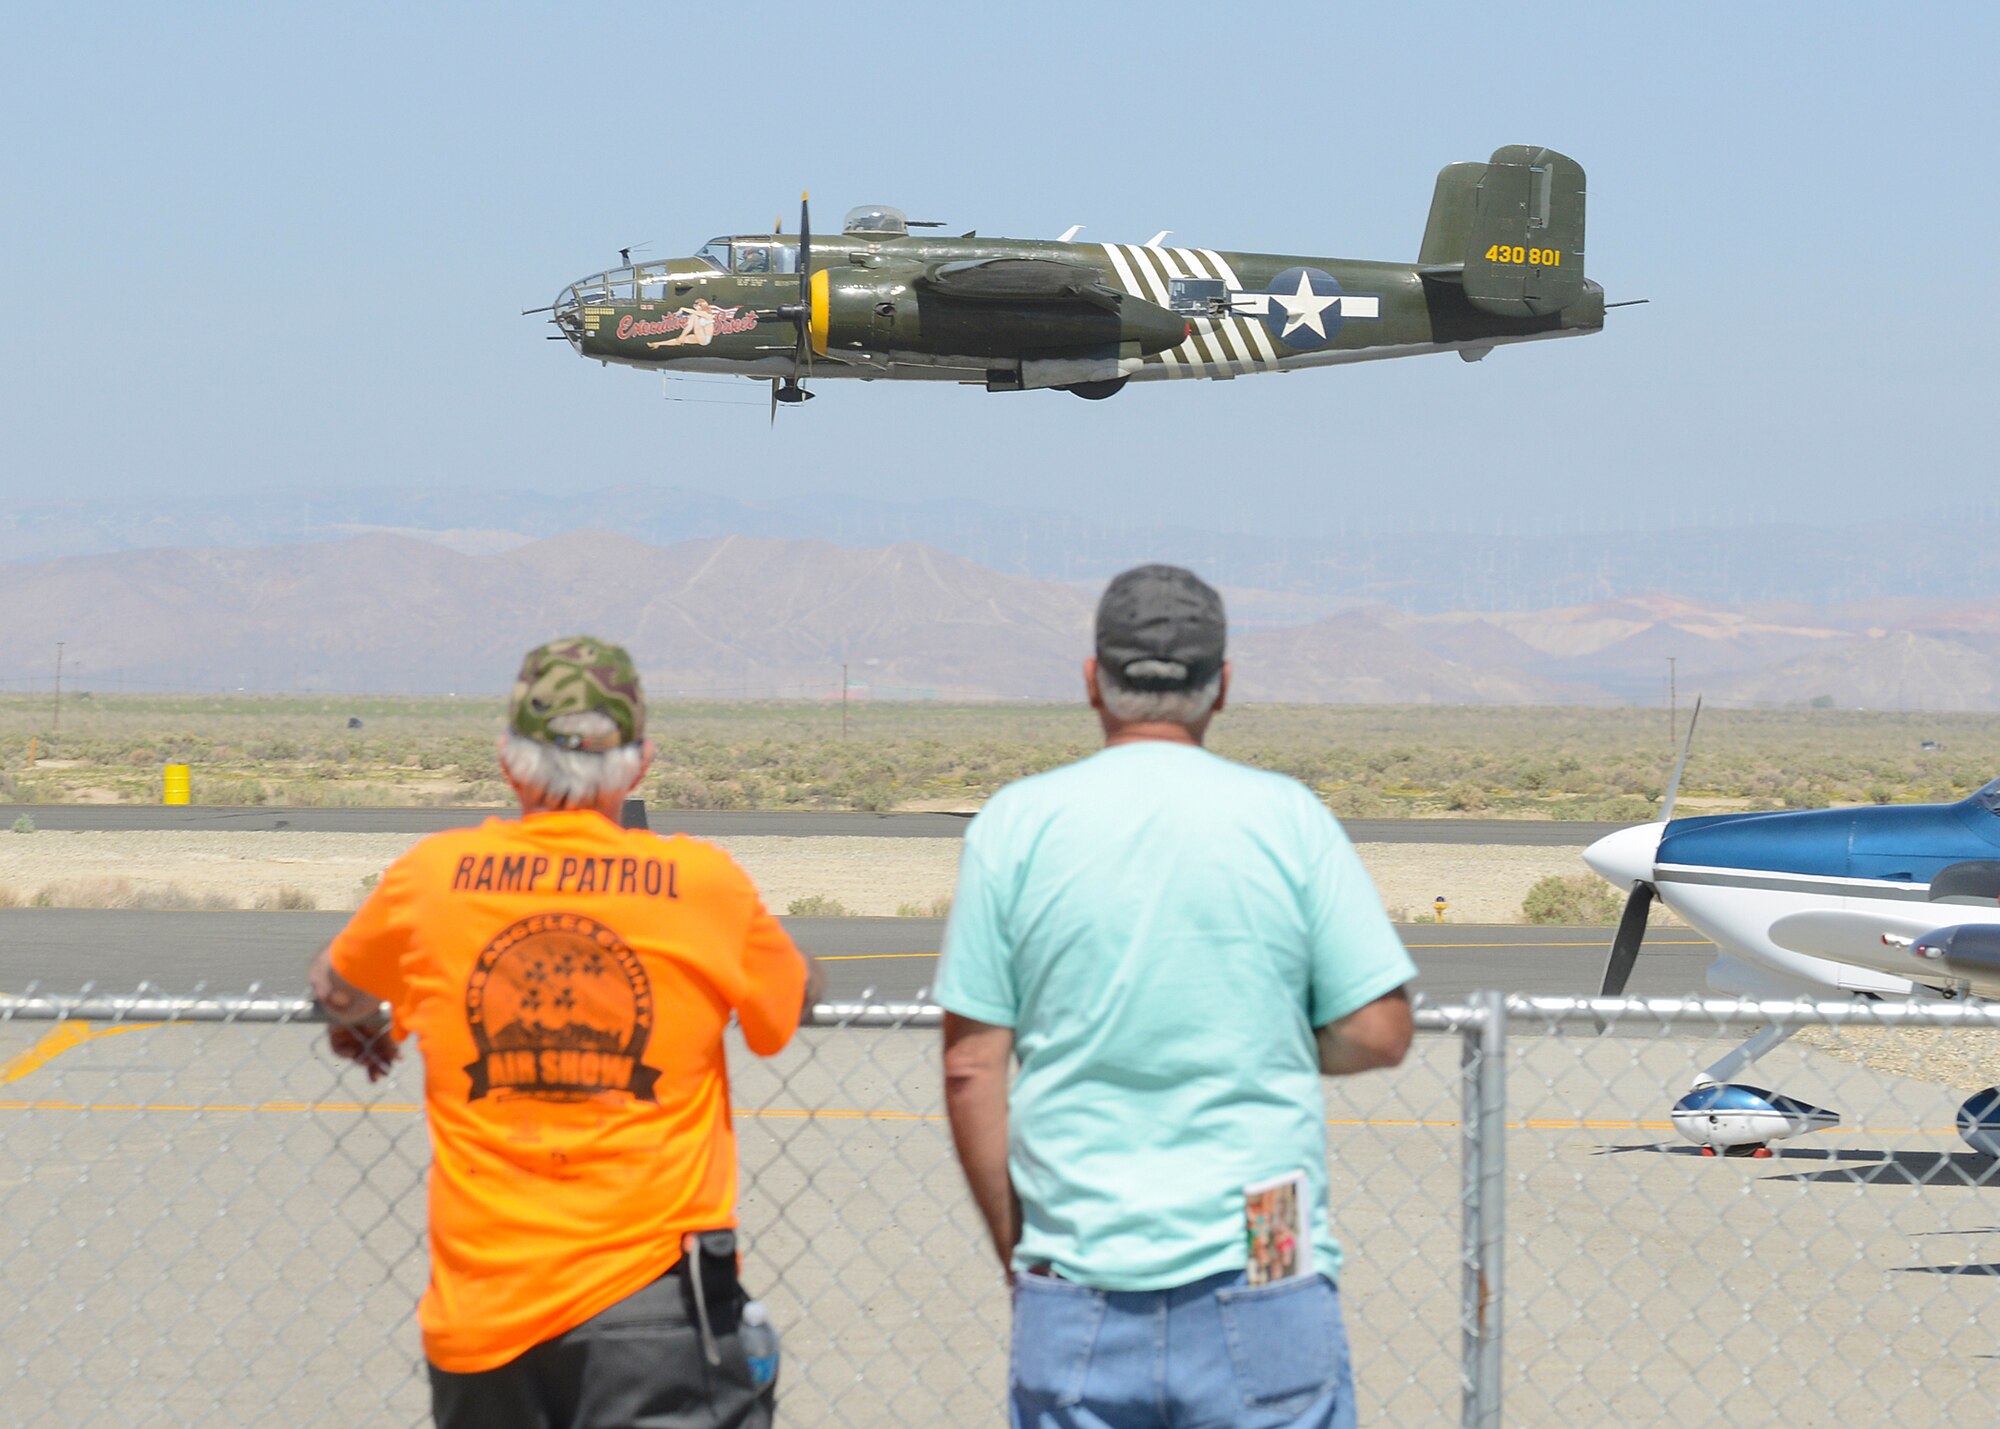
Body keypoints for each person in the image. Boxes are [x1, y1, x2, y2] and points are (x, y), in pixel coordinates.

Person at [937, 565, 1416, 1429]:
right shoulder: (1287, 817)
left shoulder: (1015, 823)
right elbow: (1380, 1031)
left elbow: (972, 1064)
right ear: (1221, 686)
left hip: (1075, 1271)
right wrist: (1265, 1033)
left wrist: (1026, 1255)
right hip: (1266, 1255)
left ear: (1094, 681)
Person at [309, 635, 819, 1429]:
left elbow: (336, 981)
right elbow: (782, 1010)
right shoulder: (702, 886)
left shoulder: (434, 879)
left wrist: (362, 1020)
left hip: (485, 1309)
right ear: (640, 763)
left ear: (511, 762)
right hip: (653, 1301)